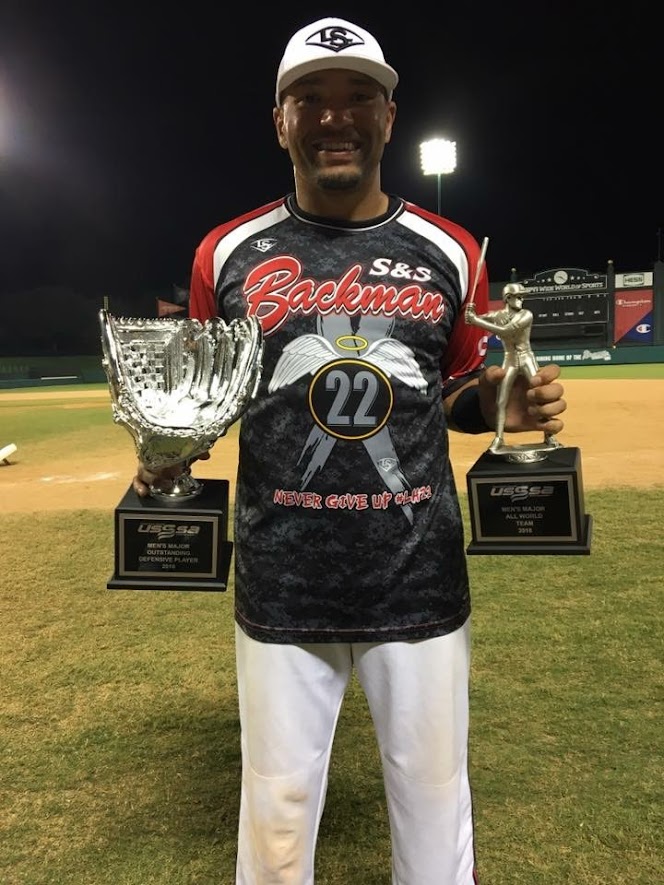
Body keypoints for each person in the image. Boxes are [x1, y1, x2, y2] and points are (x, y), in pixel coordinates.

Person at [132, 16, 566, 884]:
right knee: (276, 826)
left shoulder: (452, 250)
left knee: (435, 819)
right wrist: (169, 449)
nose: (336, 116)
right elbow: (207, 395)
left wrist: (500, 402)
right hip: (281, 585)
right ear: (280, 121)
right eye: (311, 98)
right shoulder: (227, 252)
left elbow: (454, 389)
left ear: (389, 117)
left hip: (419, 581)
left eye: (359, 96)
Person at [465, 283, 561, 453]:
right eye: (518, 296)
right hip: (509, 358)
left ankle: (549, 436)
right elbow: (481, 318)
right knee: (501, 400)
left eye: (522, 296)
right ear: (508, 298)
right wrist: (471, 315)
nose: (521, 299)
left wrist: (475, 320)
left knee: (540, 396)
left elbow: (506, 331)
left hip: (526, 357)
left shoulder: (526, 315)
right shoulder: (499, 315)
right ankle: (498, 438)